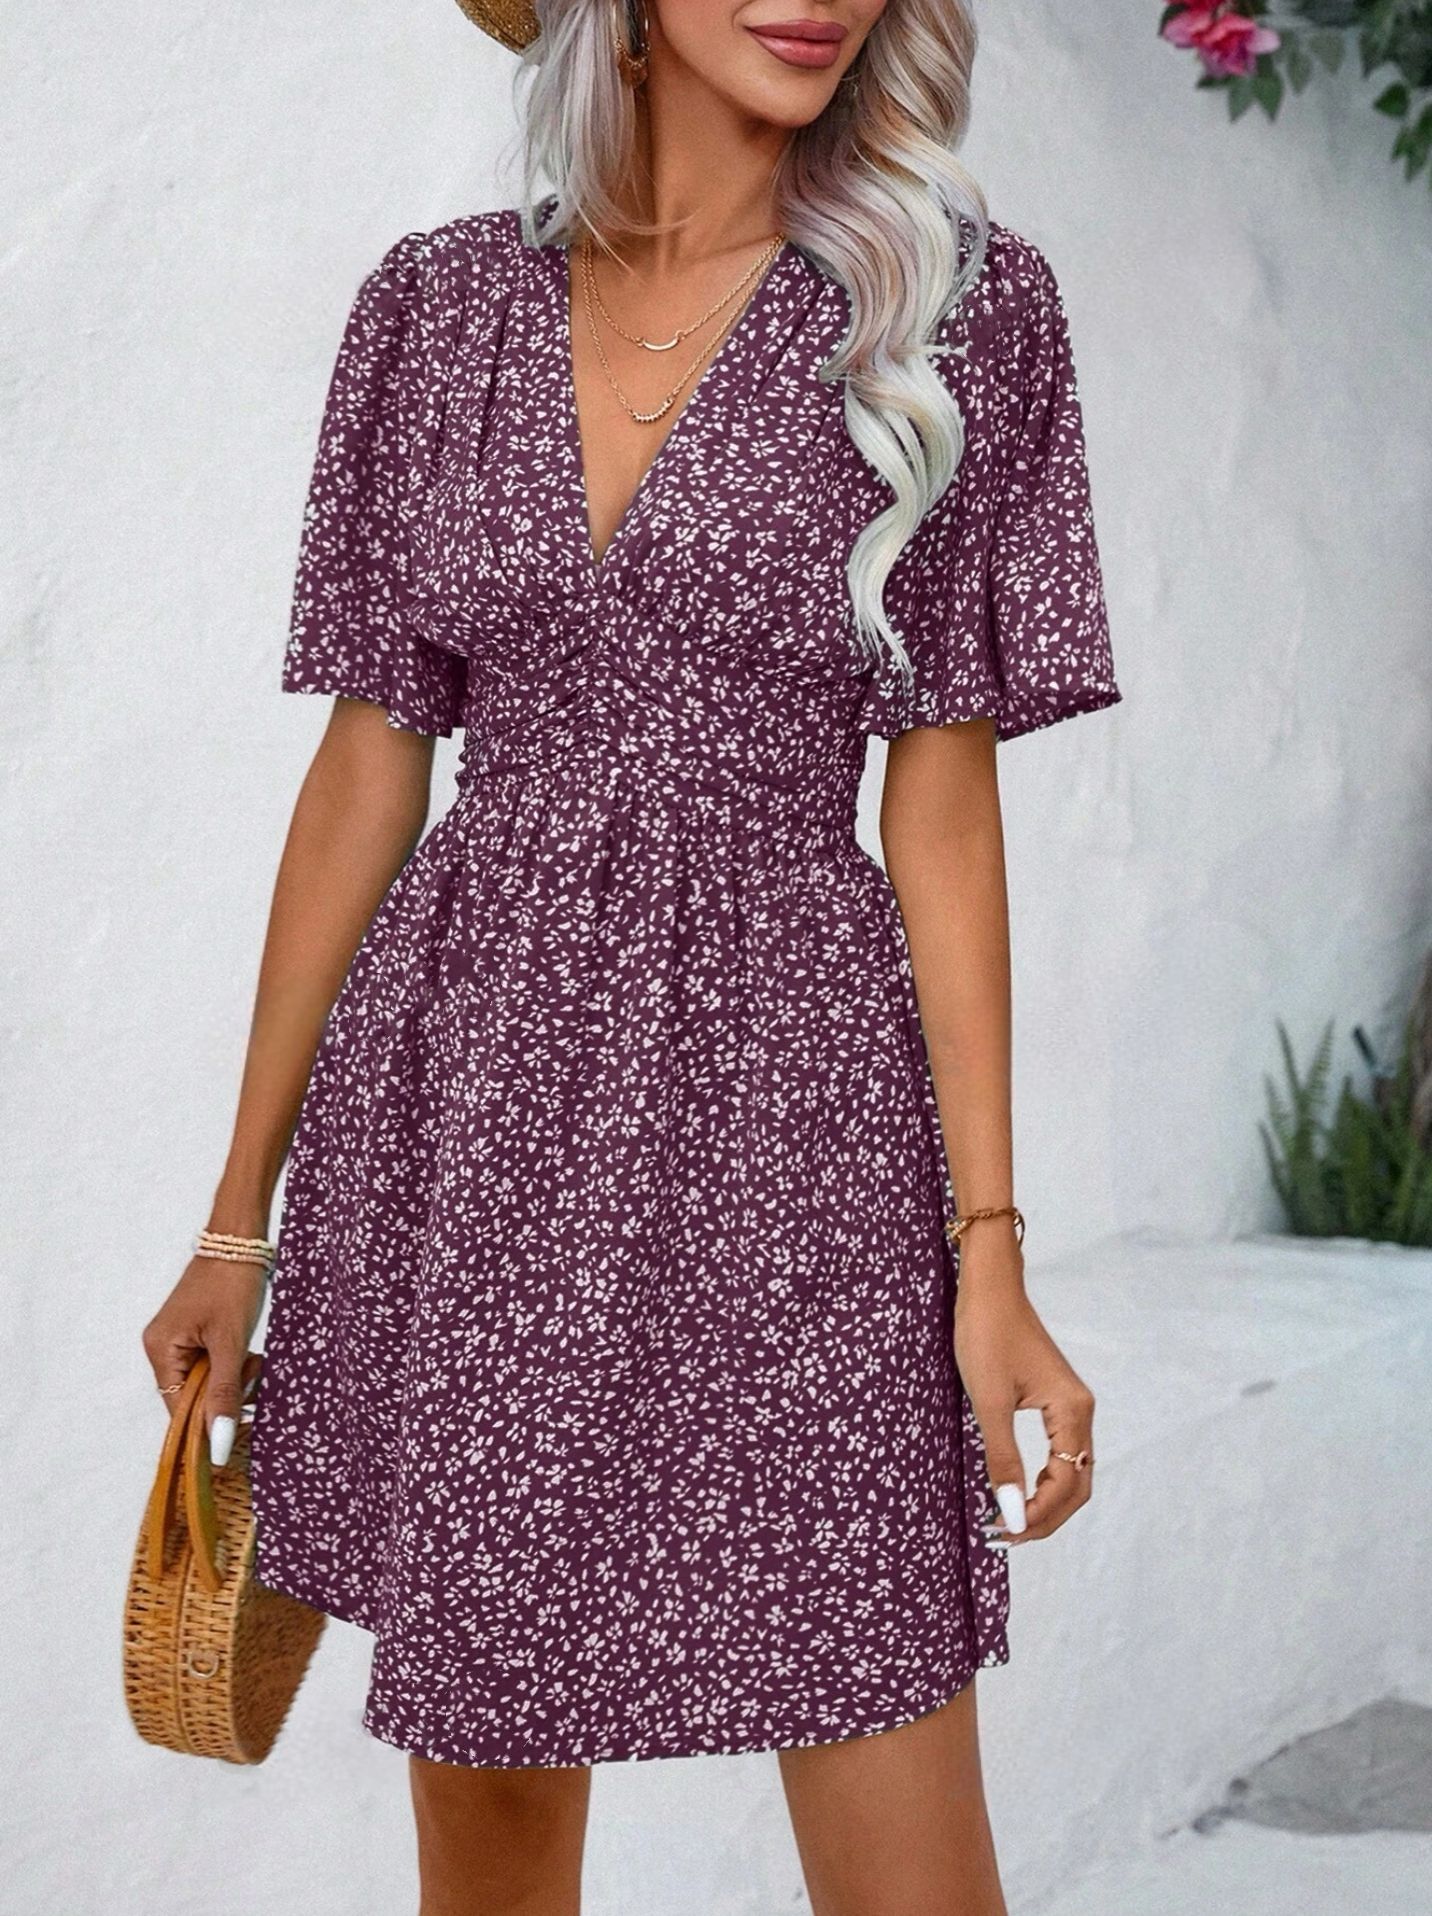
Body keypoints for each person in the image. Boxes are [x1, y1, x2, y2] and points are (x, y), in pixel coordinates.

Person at [142, 0, 1118, 1908]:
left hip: (792, 1109)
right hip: (471, 1107)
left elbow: (943, 803)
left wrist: (989, 1251)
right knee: (492, 1806)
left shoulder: (958, 313)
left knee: (892, 1777)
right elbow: (367, 767)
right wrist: (235, 1220)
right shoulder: (434, 312)